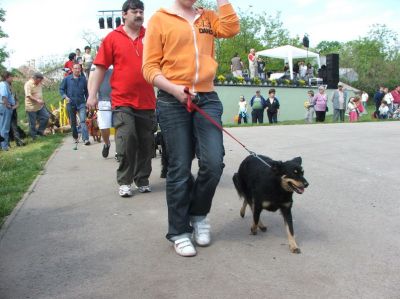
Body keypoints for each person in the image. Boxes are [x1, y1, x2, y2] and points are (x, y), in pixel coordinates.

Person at [142, 0, 239, 257]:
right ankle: (179, 231)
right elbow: (149, 68)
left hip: (207, 97)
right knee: (180, 166)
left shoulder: (207, 17)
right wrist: (174, 89)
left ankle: (198, 214)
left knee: (214, 162)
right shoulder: (159, 19)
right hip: (172, 99)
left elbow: (231, 28)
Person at [87, 0, 156, 198]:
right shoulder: (112, 38)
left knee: (146, 142)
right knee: (127, 139)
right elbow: (99, 67)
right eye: (134, 11)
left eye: (141, 11)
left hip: (147, 101)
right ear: (124, 14)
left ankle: (142, 179)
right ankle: (125, 181)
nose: (139, 14)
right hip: (122, 100)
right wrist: (92, 95)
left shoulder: (150, 36)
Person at [60, 63, 90, 145]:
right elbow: (61, 89)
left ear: (80, 69)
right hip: (71, 103)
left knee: (83, 120)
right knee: (73, 122)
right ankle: (75, 137)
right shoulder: (67, 79)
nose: (77, 70)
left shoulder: (83, 80)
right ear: (72, 69)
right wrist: (65, 97)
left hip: (81, 103)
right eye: (75, 68)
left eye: (78, 68)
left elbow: (87, 92)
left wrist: (88, 101)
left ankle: (86, 139)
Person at [89, 66, 113, 157]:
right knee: (104, 127)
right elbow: (90, 81)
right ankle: (107, 144)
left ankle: (119, 151)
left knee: (119, 125)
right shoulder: (95, 65)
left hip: (118, 99)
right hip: (103, 100)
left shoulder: (117, 59)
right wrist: (92, 96)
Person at [24, 72, 50, 140]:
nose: (41, 82)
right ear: (36, 79)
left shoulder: (39, 83)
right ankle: (33, 137)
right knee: (32, 123)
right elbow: (28, 95)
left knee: (46, 117)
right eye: (40, 80)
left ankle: (40, 132)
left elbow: (39, 93)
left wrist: (41, 100)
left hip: (40, 106)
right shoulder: (28, 84)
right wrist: (37, 100)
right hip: (31, 107)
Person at [0, 71, 15, 151]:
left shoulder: (4, 84)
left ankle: (2, 146)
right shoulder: (3, 85)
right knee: (4, 128)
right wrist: (8, 105)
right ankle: (4, 146)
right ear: (7, 77)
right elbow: (4, 96)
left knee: (1, 127)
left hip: (3, 106)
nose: (12, 78)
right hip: (5, 107)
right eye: (11, 77)